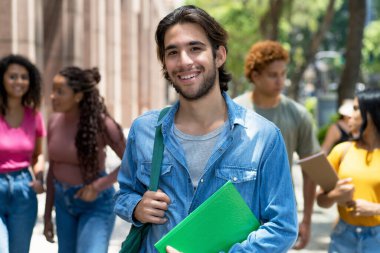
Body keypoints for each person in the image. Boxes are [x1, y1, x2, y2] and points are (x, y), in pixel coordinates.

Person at [115, 5, 297, 253]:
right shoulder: (144, 130)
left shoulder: (263, 136)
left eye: (195, 48)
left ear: (219, 55)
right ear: (165, 63)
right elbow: (124, 193)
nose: (184, 61)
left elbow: (282, 227)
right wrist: (136, 207)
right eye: (172, 52)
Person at [234, 40, 320, 250]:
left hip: (278, 214)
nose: (280, 80)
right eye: (273, 75)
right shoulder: (234, 111)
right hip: (238, 211)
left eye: (283, 73)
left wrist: (306, 219)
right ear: (255, 76)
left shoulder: (298, 114)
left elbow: (311, 169)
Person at [43, 66, 126, 253]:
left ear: (78, 96)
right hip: (63, 204)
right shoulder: (53, 121)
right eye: (52, 90)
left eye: (60, 92)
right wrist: (48, 215)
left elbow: (132, 161)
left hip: (95, 204)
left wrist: (98, 186)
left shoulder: (103, 124)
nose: (52, 96)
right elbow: (53, 170)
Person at [316, 88, 380, 253]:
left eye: (356, 108)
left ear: (372, 114)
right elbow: (321, 200)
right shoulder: (342, 151)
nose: (350, 115)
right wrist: (335, 195)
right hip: (343, 237)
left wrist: (375, 209)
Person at [0, 54, 46, 253]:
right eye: (13, 76)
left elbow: (38, 155)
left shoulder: (34, 116)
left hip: (23, 192)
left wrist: (39, 178)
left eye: (24, 77)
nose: (19, 81)